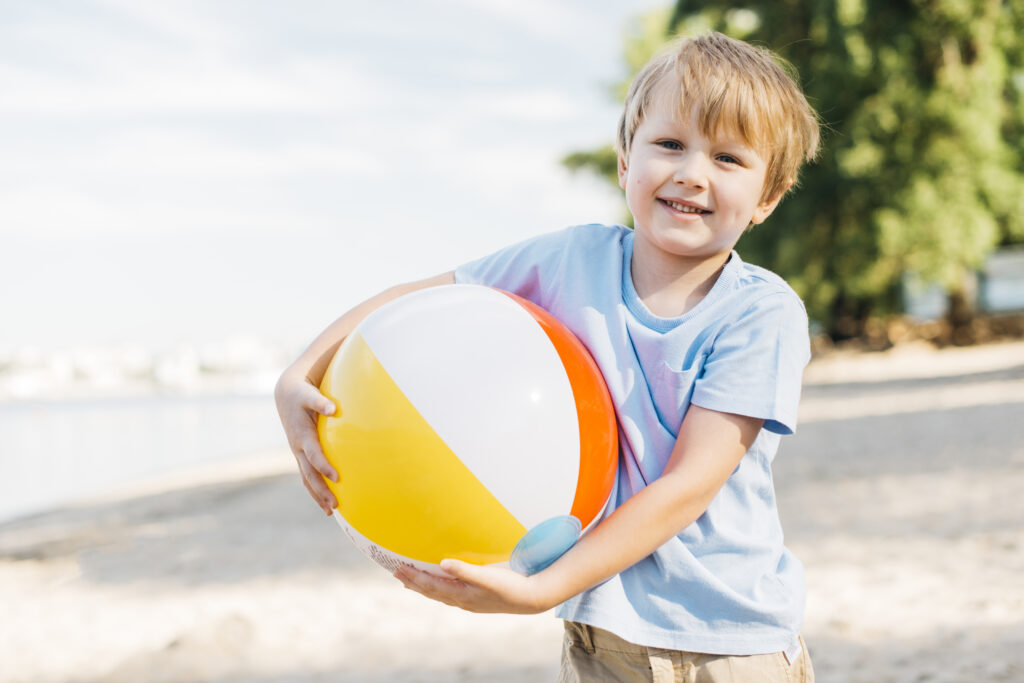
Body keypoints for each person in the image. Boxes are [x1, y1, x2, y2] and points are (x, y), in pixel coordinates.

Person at [275, 31, 820, 682]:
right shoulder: (571, 258)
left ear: (768, 197)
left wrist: (539, 589)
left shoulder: (761, 312)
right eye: (670, 144)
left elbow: (688, 485)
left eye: (728, 158)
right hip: (599, 632)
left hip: (726, 641)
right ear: (625, 161)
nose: (691, 172)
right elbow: (417, 300)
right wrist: (301, 371)